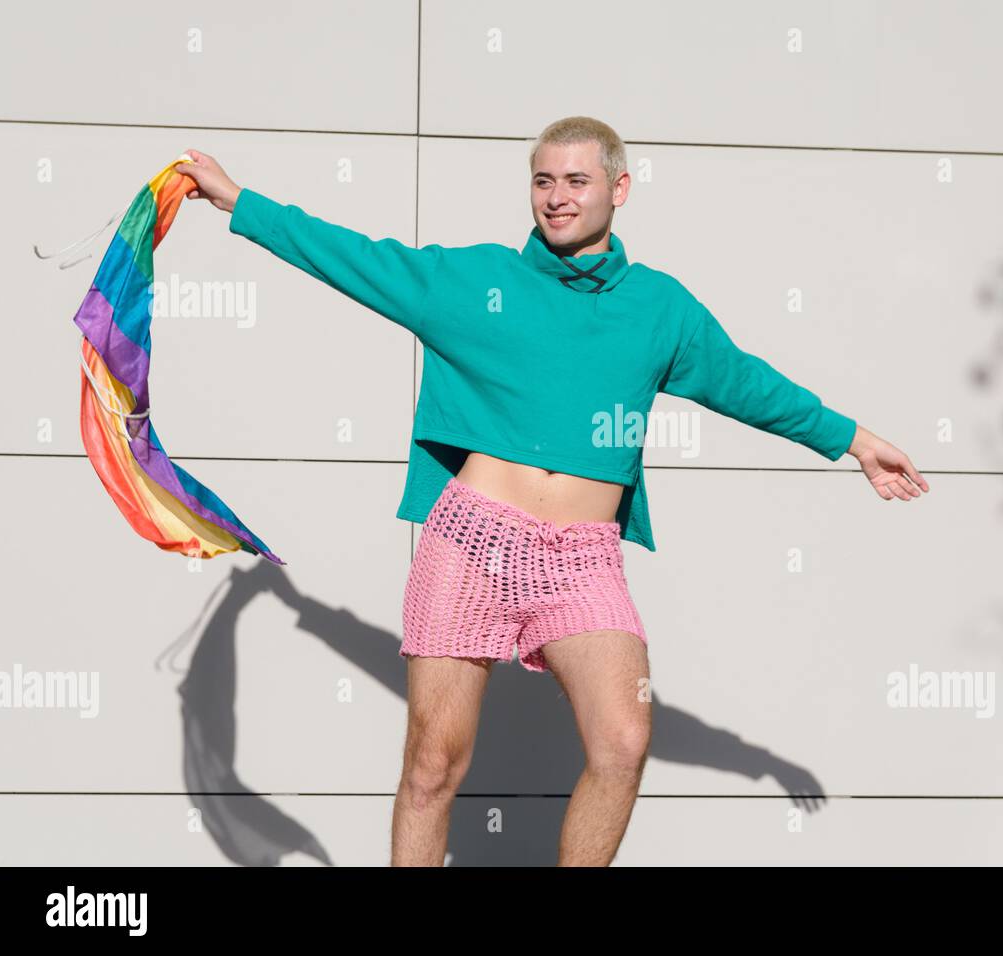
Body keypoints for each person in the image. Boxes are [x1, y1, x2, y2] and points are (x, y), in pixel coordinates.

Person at [176, 116, 929, 867]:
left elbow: (744, 383)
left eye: (577, 181)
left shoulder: (659, 308)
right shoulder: (476, 283)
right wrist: (237, 200)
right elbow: (355, 259)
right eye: (543, 181)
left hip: (583, 559)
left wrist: (853, 440)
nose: (557, 198)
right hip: (470, 542)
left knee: (625, 739)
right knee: (434, 765)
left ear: (619, 188)